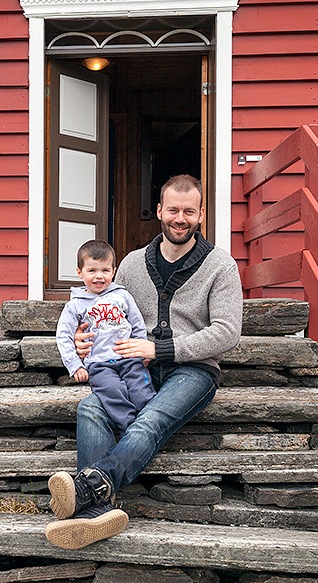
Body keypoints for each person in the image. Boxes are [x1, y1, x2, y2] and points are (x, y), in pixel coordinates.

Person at [45, 174, 243, 550]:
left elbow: (228, 332)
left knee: (149, 420)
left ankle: (89, 493)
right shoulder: (134, 264)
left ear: (201, 215)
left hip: (195, 369)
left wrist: (162, 350)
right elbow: (105, 312)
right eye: (173, 210)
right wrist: (81, 339)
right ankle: (94, 515)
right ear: (159, 211)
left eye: (189, 211)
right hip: (135, 366)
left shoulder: (221, 265)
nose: (180, 218)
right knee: (90, 408)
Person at [55, 239, 156, 433]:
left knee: (141, 389)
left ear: (114, 271)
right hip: (99, 364)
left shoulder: (122, 296)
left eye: (105, 271)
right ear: (79, 272)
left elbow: (137, 324)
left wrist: (141, 350)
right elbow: (63, 336)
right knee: (112, 391)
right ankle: (130, 428)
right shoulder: (75, 305)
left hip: (128, 358)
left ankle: (149, 424)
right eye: (92, 271)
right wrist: (75, 365)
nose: (99, 276)